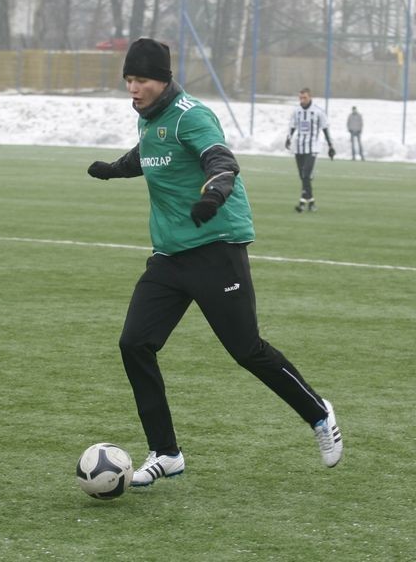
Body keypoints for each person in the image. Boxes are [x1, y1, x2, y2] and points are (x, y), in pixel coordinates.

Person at [87, 38, 343, 487]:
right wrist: (113, 169)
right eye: (128, 79)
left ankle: (318, 412)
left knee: (247, 350)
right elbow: (149, 157)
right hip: (169, 255)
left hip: (216, 248)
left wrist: (213, 194)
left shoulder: (191, 114)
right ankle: (166, 453)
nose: (133, 87)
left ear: (163, 79)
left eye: (141, 79)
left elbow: (220, 160)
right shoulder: (150, 121)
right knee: (135, 344)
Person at [285, 88, 335, 212]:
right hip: (299, 147)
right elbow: (292, 126)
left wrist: (330, 145)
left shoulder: (318, 112)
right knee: (303, 176)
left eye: (304, 98)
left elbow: (325, 128)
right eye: (300, 98)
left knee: (306, 174)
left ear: (310, 97)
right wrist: (288, 139)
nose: (302, 100)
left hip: (312, 146)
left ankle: (302, 203)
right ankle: (311, 202)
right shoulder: (296, 111)